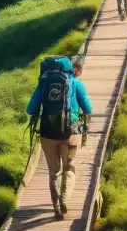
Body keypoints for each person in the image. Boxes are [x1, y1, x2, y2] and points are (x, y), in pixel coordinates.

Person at [27, 56, 92, 219]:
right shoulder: (76, 84)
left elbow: (30, 109)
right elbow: (88, 108)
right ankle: (64, 200)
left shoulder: (43, 84)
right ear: (70, 68)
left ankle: (56, 207)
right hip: (71, 134)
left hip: (48, 135)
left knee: (53, 173)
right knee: (69, 166)